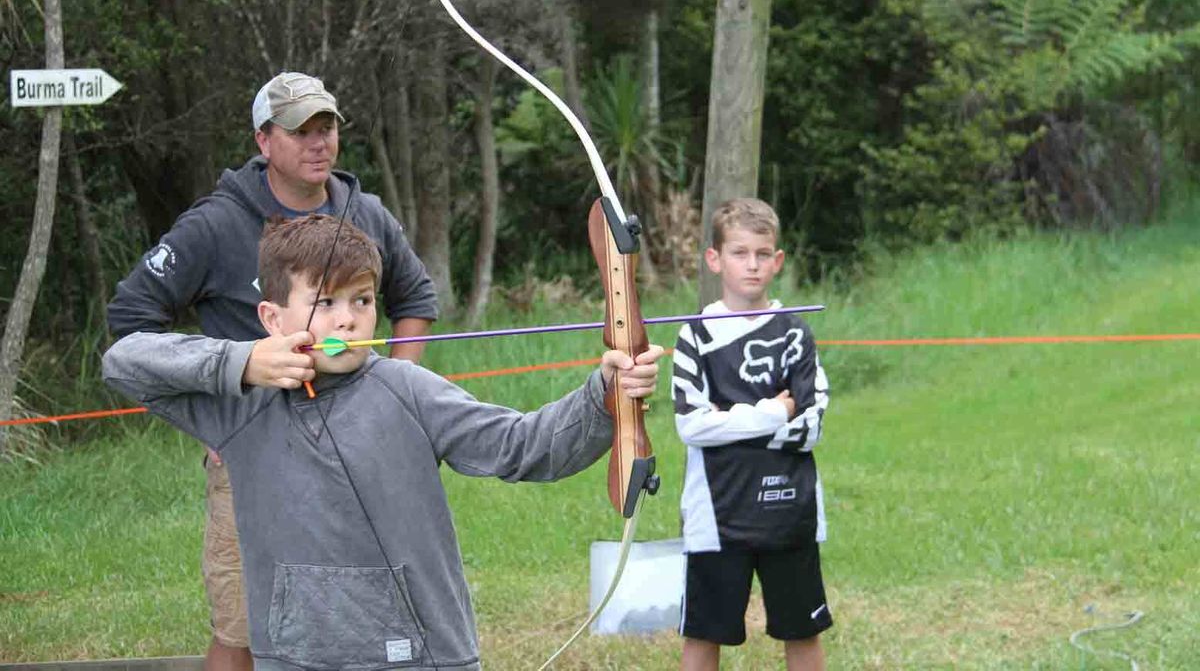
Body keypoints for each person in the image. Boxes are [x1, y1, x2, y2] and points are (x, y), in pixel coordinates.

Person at [103, 215, 664, 671]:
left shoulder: (407, 389)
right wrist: (242, 361)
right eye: (325, 302)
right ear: (272, 318)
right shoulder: (241, 405)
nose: (348, 320)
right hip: (295, 657)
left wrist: (604, 395)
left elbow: (524, 446)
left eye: (363, 300)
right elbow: (124, 362)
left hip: (419, 655)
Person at [106, 72, 438, 671]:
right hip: (251, 455)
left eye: (326, 127)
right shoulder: (214, 225)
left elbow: (415, 298)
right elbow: (131, 323)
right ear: (263, 141)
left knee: (363, 618)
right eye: (300, 131)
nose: (319, 143)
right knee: (241, 628)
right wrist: (216, 414)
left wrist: (396, 393)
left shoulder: (365, 213)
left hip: (358, 452)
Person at [672, 198, 832, 671]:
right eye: (739, 253)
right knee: (703, 634)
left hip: (790, 511)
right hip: (716, 516)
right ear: (715, 259)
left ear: (777, 260)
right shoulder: (695, 336)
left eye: (763, 254)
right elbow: (692, 425)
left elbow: (810, 426)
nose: (753, 265)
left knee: (803, 631)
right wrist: (771, 412)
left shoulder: (795, 333)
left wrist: (728, 419)